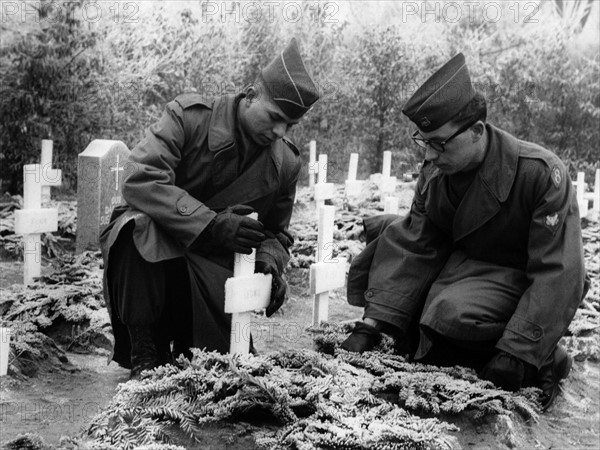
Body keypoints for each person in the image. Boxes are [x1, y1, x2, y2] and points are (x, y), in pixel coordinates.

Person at [342, 53, 589, 410]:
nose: (428, 154)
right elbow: (417, 243)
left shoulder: (539, 172)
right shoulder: (436, 170)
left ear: (476, 131)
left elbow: (559, 270)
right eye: (423, 141)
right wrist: (372, 324)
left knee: (448, 314)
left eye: (439, 143)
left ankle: (545, 356)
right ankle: (454, 333)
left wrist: (516, 350)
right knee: (390, 253)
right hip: (464, 266)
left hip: (521, 276)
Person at [100, 38, 319, 379]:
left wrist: (269, 263)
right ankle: (145, 351)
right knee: (134, 227)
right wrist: (210, 223)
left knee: (218, 373)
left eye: (289, 126)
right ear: (250, 96)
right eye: (275, 117)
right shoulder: (188, 118)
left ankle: (197, 348)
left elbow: (276, 233)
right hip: (157, 256)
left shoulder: (286, 163)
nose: (279, 131)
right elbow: (140, 179)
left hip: (216, 271)